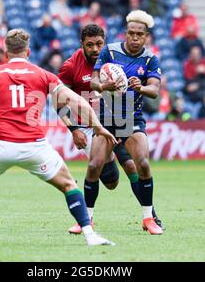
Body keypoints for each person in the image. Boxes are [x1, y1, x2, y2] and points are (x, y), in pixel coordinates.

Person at [0, 29, 116, 248]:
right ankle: (91, 236)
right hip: (34, 147)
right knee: (69, 185)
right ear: (28, 51)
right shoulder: (43, 75)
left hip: (1, 146)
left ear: (6, 52)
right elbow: (77, 103)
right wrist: (99, 128)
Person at [57, 24, 163, 234]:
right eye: (90, 45)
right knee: (111, 181)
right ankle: (86, 210)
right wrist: (73, 129)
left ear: (104, 43)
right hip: (88, 127)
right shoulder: (71, 66)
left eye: (99, 44)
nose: (95, 49)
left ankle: (150, 215)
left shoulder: (111, 59)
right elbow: (58, 100)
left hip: (118, 119)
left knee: (134, 166)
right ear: (82, 45)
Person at [87, 10, 164, 235]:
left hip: (131, 116)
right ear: (126, 33)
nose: (134, 38)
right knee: (94, 167)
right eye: (131, 33)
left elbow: (154, 90)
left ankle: (148, 218)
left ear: (146, 36)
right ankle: (86, 220)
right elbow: (92, 81)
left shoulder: (150, 59)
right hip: (107, 117)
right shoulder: (110, 51)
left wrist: (140, 87)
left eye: (139, 34)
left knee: (142, 164)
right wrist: (103, 86)